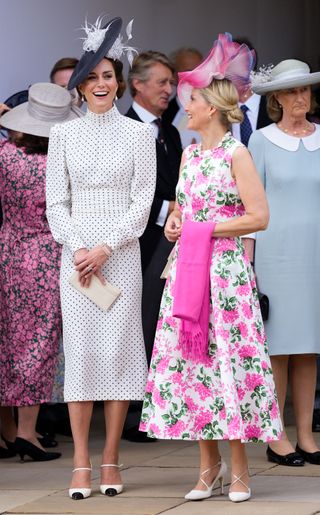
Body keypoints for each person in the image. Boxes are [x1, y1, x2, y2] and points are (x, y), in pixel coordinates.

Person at [140, 33, 282, 503]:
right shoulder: (189, 154)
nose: (186, 105)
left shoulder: (235, 154)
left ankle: (240, 467)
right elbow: (183, 209)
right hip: (187, 272)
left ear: (214, 109)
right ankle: (208, 466)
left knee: (227, 366)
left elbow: (258, 216)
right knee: (193, 368)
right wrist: (180, 222)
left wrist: (208, 228)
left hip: (224, 278)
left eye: (193, 99)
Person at [46, 16, 156, 500]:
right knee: (83, 355)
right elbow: (56, 202)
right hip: (76, 261)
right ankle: (81, 463)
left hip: (121, 255)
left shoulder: (139, 135)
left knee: (119, 353)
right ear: (79, 86)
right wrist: (79, 249)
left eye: (107, 76)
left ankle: (111, 458)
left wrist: (107, 247)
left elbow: (143, 200)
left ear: (119, 82)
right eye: (90, 77)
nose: (99, 84)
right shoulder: (62, 136)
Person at [0, 83, 80, 462]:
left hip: (7, 250)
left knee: (6, 340)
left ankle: (5, 432)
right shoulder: (59, 163)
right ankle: (27, 433)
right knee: (39, 342)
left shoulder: (4, 155)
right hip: (47, 256)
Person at [249, 59, 320, 466]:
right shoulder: (261, 140)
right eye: (292, 91)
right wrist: (250, 266)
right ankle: (275, 437)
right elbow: (252, 206)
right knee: (278, 349)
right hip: (276, 255)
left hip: (313, 254)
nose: (300, 97)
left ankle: (307, 436)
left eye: (305, 90)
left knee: (308, 348)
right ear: (276, 98)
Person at [122, 51, 182, 442]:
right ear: (137, 84)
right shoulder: (124, 129)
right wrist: (169, 208)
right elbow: (125, 191)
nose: (170, 90)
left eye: (171, 83)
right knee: (135, 325)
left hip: (171, 242)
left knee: (162, 324)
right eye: (161, 82)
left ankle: (160, 408)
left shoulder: (171, 132)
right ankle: (132, 416)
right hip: (135, 243)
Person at [163, 47, 203, 148]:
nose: (195, 76)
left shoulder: (214, 109)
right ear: (174, 76)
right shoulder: (164, 113)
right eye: (189, 72)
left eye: (199, 70)